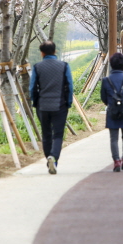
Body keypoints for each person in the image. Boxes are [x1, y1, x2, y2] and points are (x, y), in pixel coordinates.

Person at [30, 40, 74, 175]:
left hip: (43, 106)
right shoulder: (64, 66)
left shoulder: (37, 67)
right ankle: (53, 159)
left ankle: (48, 157)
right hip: (59, 105)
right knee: (58, 134)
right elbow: (69, 86)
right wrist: (68, 102)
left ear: (42, 53)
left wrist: (36, 102)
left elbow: (32, 88)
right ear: (55, 51)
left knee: (46, 134)